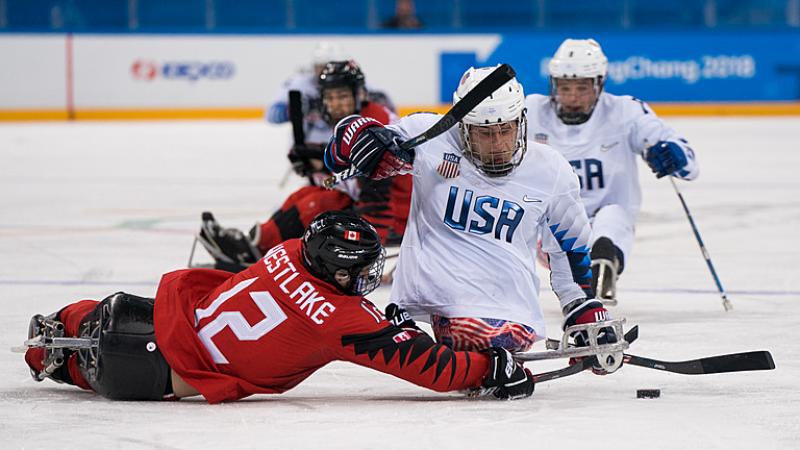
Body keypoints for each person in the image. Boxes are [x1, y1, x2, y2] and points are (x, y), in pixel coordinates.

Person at [23, 212, 534, 402]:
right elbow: (430, 368)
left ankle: (60, 338)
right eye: (360, 272)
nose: (368, 280)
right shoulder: (342, 319)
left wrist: (387, 325)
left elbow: (321, 309)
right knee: (102, 358)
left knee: (87, 321)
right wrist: (488, 367)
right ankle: (67, 355)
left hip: (155, 317)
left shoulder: (287, 252)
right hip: (155, 368)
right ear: (339, 272)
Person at [324, 66, 618, 368]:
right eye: (484, 133)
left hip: (509, 300)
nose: (498, 144)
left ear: (522, 121)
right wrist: (361, 139)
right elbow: (339, 153)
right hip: (436, 292)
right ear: (463, 127)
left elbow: (569, 248)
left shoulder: (552, 170)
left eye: (506, 129)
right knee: (474, 336)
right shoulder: (432, 136)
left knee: (501, 337)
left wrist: (580, 306)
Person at [526, 38, 699, 304]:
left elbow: (689, 165)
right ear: (553, 84)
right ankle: (585, 273)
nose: (572, 97)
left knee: (614, 216)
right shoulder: (532, 111)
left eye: (581, 88)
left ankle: (603, 265)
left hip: (609, 219)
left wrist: (671, 154)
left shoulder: (625, 111)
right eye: (565, 87)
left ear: (599, 84)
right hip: (552, 226)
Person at [199, 61, 412, 273]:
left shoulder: (372, 128)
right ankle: (257, 245)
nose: (336, 104)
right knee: (304, 195)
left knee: (319, 202)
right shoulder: (363, 119)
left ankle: (254, 251)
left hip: (402, 217)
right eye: (330, 98)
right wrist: (315, 160)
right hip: (398, 208)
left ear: (360, 95)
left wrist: (367, 258)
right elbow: (358, 171)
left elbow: (378, 200)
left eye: (343, 97)